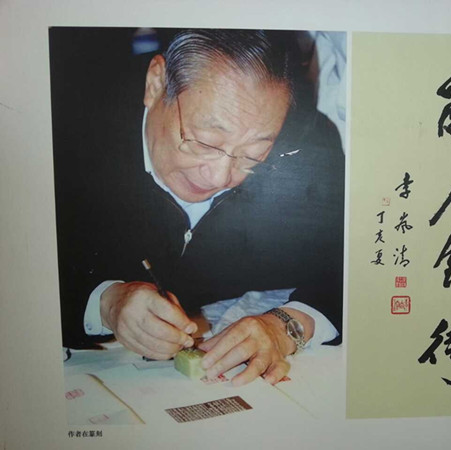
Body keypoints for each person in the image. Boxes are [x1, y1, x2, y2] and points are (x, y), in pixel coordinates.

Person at [51, 28, 345, 386]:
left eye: (253, 156)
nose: (221, 177)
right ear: (156, 84)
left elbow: (353, 269)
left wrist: (285, 325)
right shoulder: (63, 128)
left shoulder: (305, 148)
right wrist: (105, 303)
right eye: (205, 143)